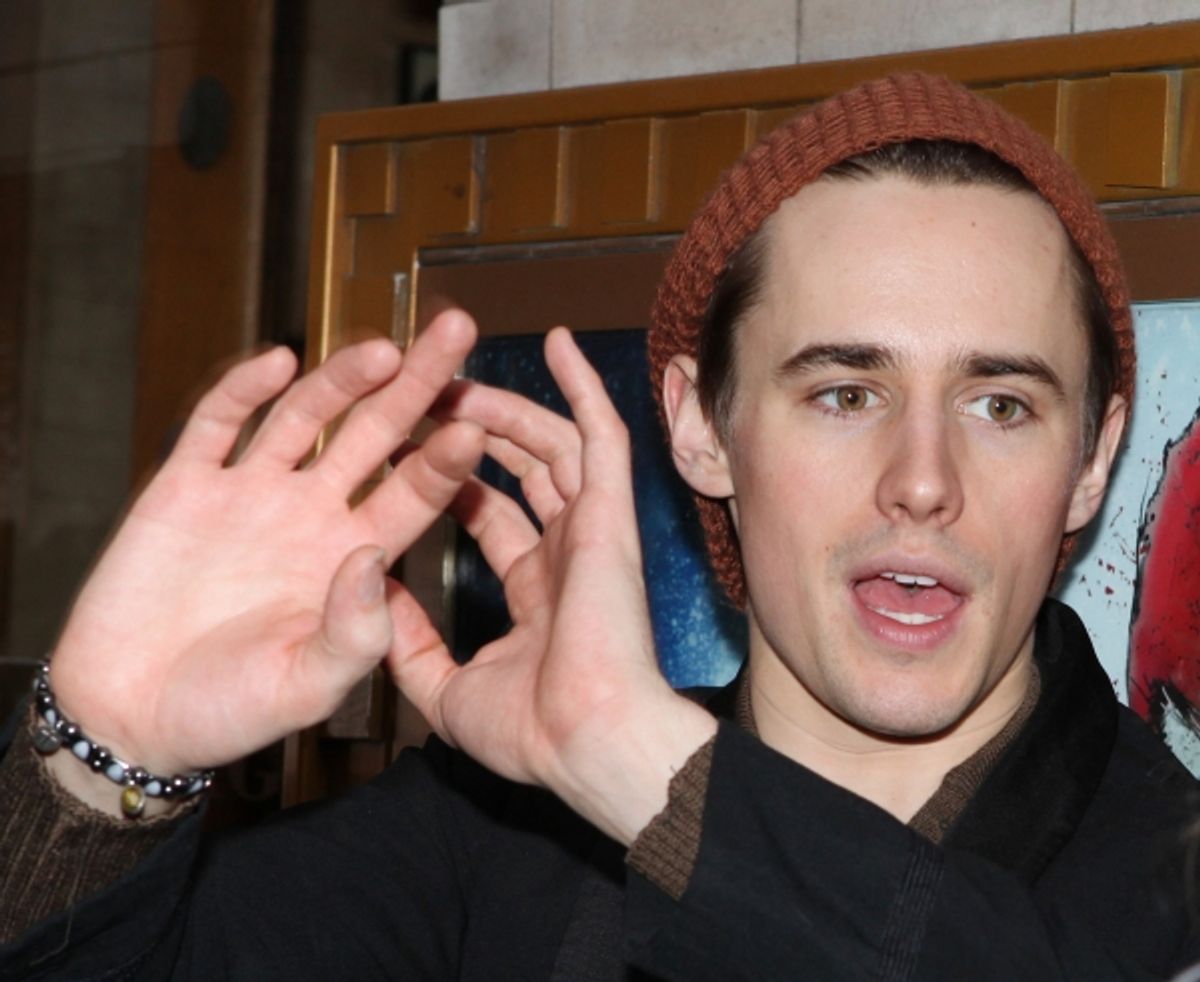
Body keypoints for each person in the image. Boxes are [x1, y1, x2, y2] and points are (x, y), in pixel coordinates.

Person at [0, 72, 1195, 980]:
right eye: (844, 392)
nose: (922, 480)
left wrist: (645, 774)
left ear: (1091, 461)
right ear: (699, 426)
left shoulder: (1174, 867)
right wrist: (108, 758)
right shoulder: (494, 835)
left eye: (1000, 403)